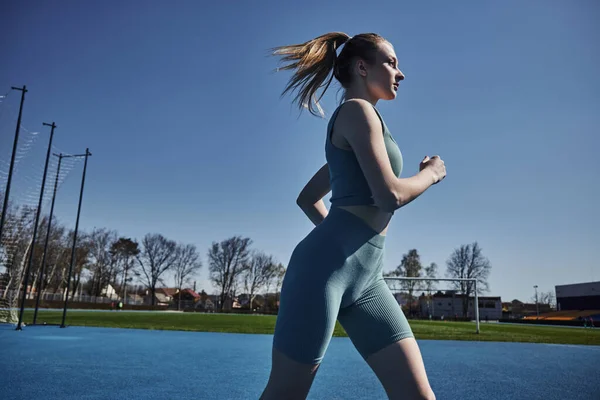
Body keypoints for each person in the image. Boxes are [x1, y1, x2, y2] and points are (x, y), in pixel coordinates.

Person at [260, 32, 446, 400]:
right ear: (362, 67)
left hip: (368, 279)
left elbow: (308, 198)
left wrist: (345, 236)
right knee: (285, 393)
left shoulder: (367, 125)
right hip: (323, 273)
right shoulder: (356, 111)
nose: (401, 73)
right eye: (391, 62)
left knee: (418, 396)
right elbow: (389, 195)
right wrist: (432, 174)